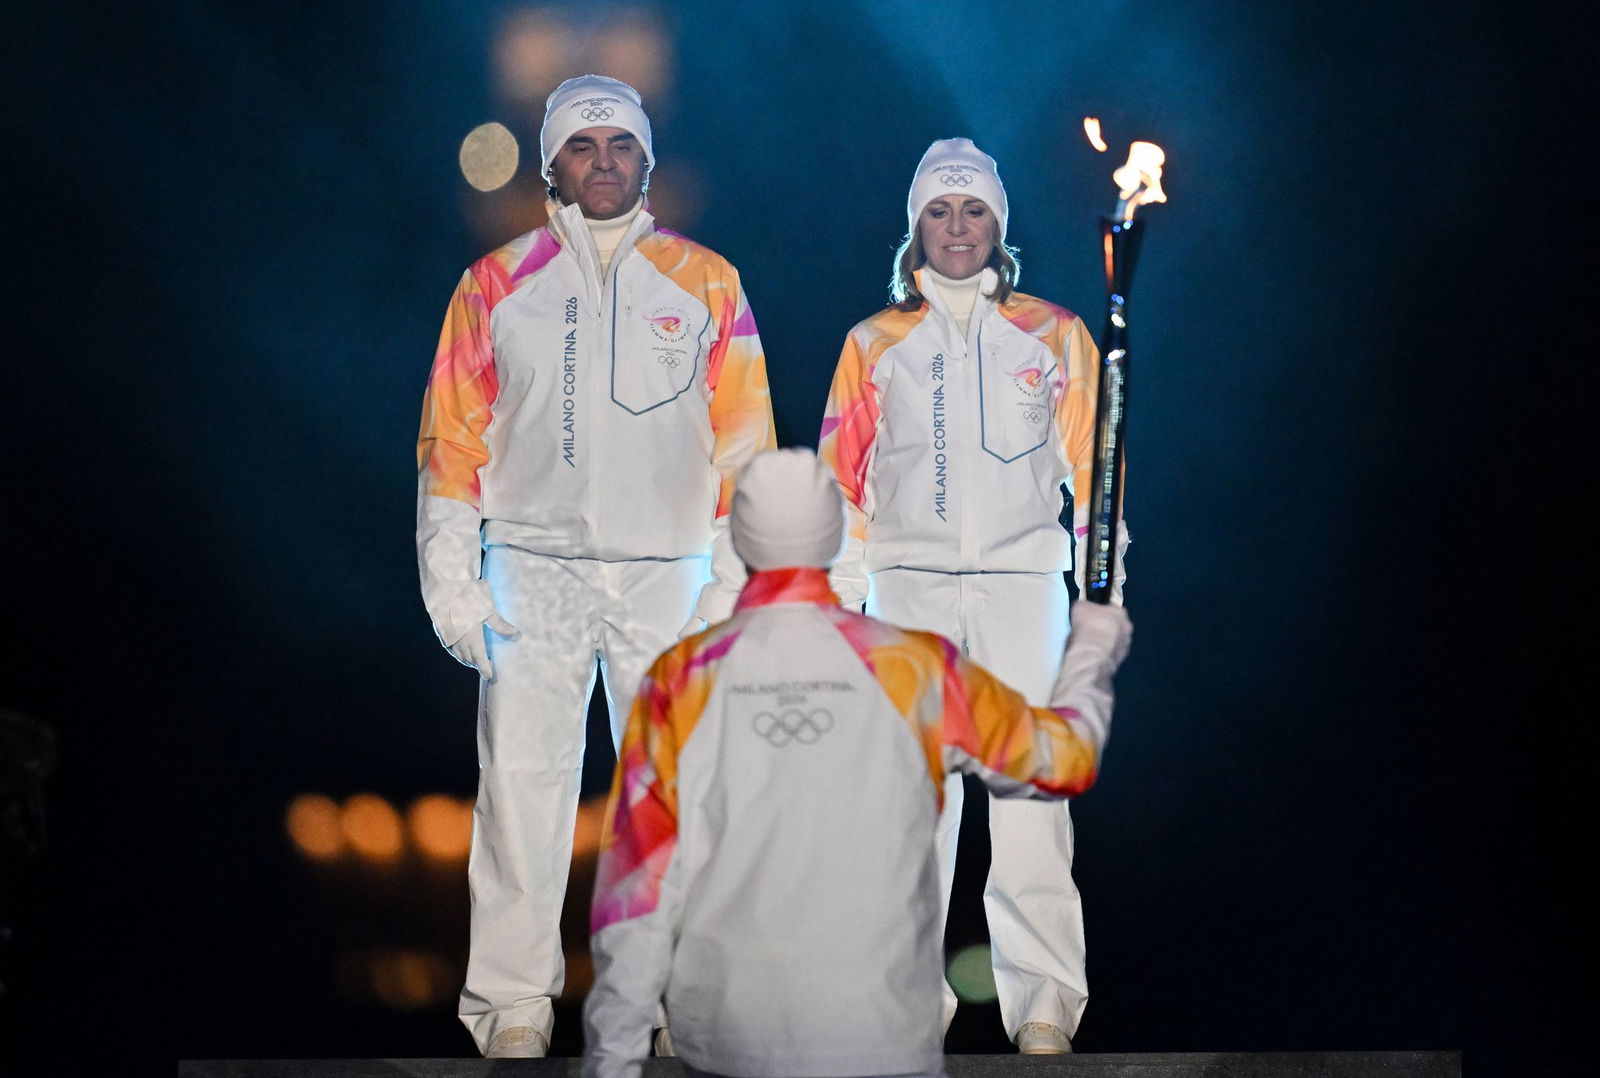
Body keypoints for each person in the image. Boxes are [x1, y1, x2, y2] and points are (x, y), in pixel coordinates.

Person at [415, 74, 775, 1058]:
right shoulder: (495, 283)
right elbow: (451, 441)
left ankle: (676, 1002)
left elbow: (746, 446)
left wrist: (727, 585)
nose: (604, 161)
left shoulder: (708, 282)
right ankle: (513, 1008)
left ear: (647, 161)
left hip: (669, 572)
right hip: (531, 567)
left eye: (622, 145)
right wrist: (453, 586)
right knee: (520, 787)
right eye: (583, 145)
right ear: (552, 166)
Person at [581, 448, 1131, 1078]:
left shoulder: (681, 679)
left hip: (728, 1041)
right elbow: (1063, 762)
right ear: (836, 537)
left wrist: (613, 1060)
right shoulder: (913, 667)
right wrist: (1092, 648)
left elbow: (637, 886)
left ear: (740, 540)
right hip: (880, 1039)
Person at [817, 138, 1131, 1053]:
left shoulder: (1057, 335)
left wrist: (1103, 589)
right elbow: (841, 486)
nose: (958, 226)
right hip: (906, 595)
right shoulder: (874, 344)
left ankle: (1043, 1005)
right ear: (916, 227)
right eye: (940, 210)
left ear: (999, 225)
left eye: (974, 210)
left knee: (1032, 800)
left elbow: (1096, 472)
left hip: (1023, 589)